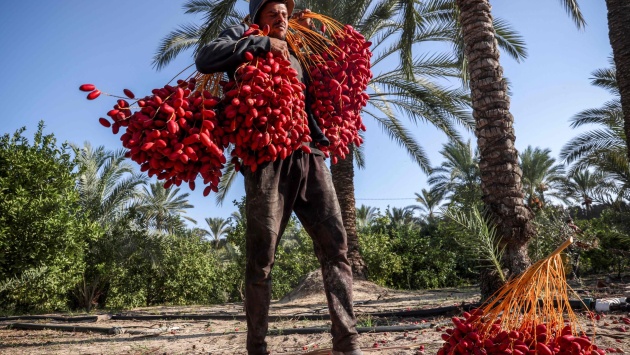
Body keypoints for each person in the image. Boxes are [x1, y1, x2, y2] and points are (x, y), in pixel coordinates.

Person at [195, 1, 362, 354]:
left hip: (308, 156)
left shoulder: (298, 54)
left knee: (336, 248)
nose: (282, 17)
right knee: (261, 257)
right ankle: (257, 346)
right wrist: (260, 44)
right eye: (273, 12)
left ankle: (347, 341)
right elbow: (207, 58)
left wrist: (320, 136)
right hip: (266, 160)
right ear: (257, 18)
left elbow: (309, 101)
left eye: (285, 13)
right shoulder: (244, 38)